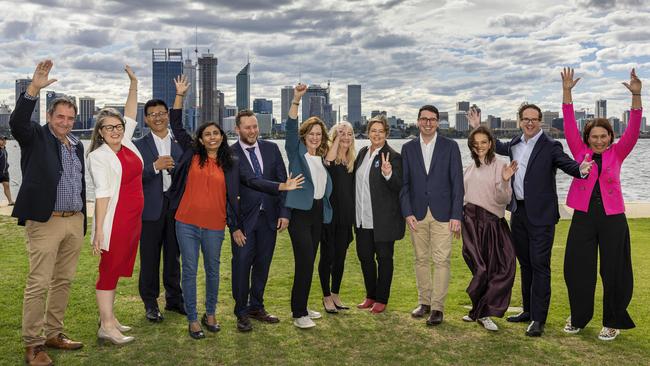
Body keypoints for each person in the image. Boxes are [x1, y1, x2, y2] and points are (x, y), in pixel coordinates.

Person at [167, 76, 302, 339]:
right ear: (202, 138)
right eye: (207, 134)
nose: (212, 137)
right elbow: (176, 126)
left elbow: (251, 181)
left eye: (216, 133)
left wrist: (280, 188)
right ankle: (194, 319)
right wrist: (180, 96)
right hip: (187, 222)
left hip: (215, 224)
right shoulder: (193, 154)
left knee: (214, 271)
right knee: (191, 270)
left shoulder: (230, 162)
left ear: (222, 136)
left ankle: (211, 314)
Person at [469, 101, 593, 337]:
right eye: (525, 118)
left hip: (542, 216)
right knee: (525, 264)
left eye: (534, 119)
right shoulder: (516, 143)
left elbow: (567, 164)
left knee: (540, 265)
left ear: (540, 122)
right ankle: (527, 311)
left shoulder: (550, 145)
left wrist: (581, 169)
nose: (529, 122)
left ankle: (538, 318)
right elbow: (493, 146)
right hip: (519, 213)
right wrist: (478, 127)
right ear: (520, 121)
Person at [11, 60, 85, 366]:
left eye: (70, 118)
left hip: (74, 221)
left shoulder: (77, 145)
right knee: (39, 282)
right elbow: (17, 123)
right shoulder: (35, 137)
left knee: (63, 281)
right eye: (60, 117)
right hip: (45, 222)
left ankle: (54, 333)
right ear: (49, 116)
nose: (65, 122)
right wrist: (33, 89)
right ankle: (33, 344)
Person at [560, 67, 642, 341]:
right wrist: (567, 92)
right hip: (583, 216)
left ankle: (612, 320)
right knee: (577, 268)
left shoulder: (619, 152)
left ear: (610, 137)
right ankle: (579, 317)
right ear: (587, 139)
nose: (598, 140)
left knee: (614, 270)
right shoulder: (579, 151)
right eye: (594, 137)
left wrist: (637, 96)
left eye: (603, 136)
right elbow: (569, 124)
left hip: (612, 218)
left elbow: (633, 127)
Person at [88, 65, 143, 345]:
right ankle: (106, 326)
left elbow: (131, 112)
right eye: (108, 127)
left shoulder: (128, 144)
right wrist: (98, 232)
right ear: (100, 131)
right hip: (116, 220)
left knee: (118, 268)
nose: (115, 130)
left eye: (118, 126)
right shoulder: (99, 156)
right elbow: (102, 195)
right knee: (108, 270)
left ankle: (110, 317)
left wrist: (133, 83)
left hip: (133, 219)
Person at [400, 105, 463, 325]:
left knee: (442, 260)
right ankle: (424, 302)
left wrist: (457, 215)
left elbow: (458, 183)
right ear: (417, 121)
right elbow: (404, 184)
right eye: (424, 119)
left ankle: (437, 308)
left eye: (433, 119)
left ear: (438, 122)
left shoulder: (451, 146)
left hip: (444, 214)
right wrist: (407, 212)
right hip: (416, 214)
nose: (428, 123)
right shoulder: (408, 148)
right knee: (421, 260)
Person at [230, 109, 290, 332]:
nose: (253, 131)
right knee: (241, 266)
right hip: (244, 223)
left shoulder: (272, 148)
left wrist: (284, 213)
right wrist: (234, 226)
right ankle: (241, 312)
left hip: (270, 219)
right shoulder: (230, 154)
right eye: (247, 127)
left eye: (255, 126)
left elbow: (283, 182)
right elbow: (228, 195)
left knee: (263, 266)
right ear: (237, 129)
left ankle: (256, 306)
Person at [284, 83, 333, 328]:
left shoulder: (321, 159)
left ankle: (302, 306)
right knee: (304, 262)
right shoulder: (297, 153)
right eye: (311, 133)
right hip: (300, 215)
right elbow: (290, 128)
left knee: (309, 262)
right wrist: (296, 100)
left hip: (317, 215)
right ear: (304, 136)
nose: (315, 137)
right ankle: (298, 314)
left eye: (319, 134)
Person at [460, 126, 517, 332]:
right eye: (476, 144)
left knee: (503, 268)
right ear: (471, 146)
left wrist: (504, 180)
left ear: (491, 143)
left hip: (493, 222)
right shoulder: (468, 168)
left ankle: (482, 312)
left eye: (484, 142)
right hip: (470, 222)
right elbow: (463, 197)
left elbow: (504, 199)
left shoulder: (499, 164)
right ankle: (480, 311)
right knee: (480, 269)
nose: (480, 147)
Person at [133, 95, 184, 323]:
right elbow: (131, 177)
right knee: (150, 258)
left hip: (175, 209)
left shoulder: (180, 144)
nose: (158, 118)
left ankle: (174, 299)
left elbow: (187, 177)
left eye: (162, 113)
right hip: (150, 210)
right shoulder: (137, 146)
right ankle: (151, 303)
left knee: (174, 257)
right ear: (146, 119)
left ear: (168, 116)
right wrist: (154, 167)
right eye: (153, 115)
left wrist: (176, 172)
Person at [355, 115, 405, 314]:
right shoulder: (362, 153)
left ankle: (382, 299)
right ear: (368, 133)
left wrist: (388, 174)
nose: (376, 134)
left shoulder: (393, 156)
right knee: (365, 257)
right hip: (361, 218)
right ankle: (370, 295)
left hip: (383, 220)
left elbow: (399, 186)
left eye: (380, 131)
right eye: (373, 131)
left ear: (386, 133)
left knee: (384, 259)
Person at [320, 121, 356, 313]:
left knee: (340, 258)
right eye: (342, 133)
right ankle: (326, 296)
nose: (346, 137)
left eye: (349, 134)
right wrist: (336, 137)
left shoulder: (352, 161)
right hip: (330, 217)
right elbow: (330, 159)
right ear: (335, 136)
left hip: (345, 218)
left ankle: (335, 294)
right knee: (328, 257)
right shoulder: (329, 157)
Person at [0, 135, 14, 205]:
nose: (4, 141)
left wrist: (7, 165)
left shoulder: (4, 149)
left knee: (7, 185)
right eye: (2, 140)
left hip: (5, 172)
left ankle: (10, 201)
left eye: (5, 140)